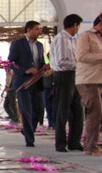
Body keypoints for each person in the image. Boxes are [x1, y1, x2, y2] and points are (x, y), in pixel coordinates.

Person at [8, 21, 48, 147]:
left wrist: (44, 67)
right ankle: (29, 140)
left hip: (37, 82)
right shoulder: (18, 44)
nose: (39, 31)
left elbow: (41, 61)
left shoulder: (40, 45)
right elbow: (10, 63)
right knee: (26, 110)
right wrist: (25, 70)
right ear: (29, 30)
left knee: (39, 109)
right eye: (36, 29)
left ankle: (27, 130)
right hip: (22, 82)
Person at [50, 13, 84, 152]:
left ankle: (74, 142)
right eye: (78, 26)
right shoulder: (61, 39)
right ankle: (60, 143)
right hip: (64, 76)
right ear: (74, 25)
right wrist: (79, 64)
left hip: (74, 75)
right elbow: (61, 61)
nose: (78, 29)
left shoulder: (72, 40)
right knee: (62, 111)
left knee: (77, 110)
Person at [75, 13, 102, 156]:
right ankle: (90, 147)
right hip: (88, 80)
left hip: (100, 79)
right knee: (95, 112)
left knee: (99, 113)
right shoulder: (86, 36)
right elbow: (81, 56)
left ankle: (93, 145)